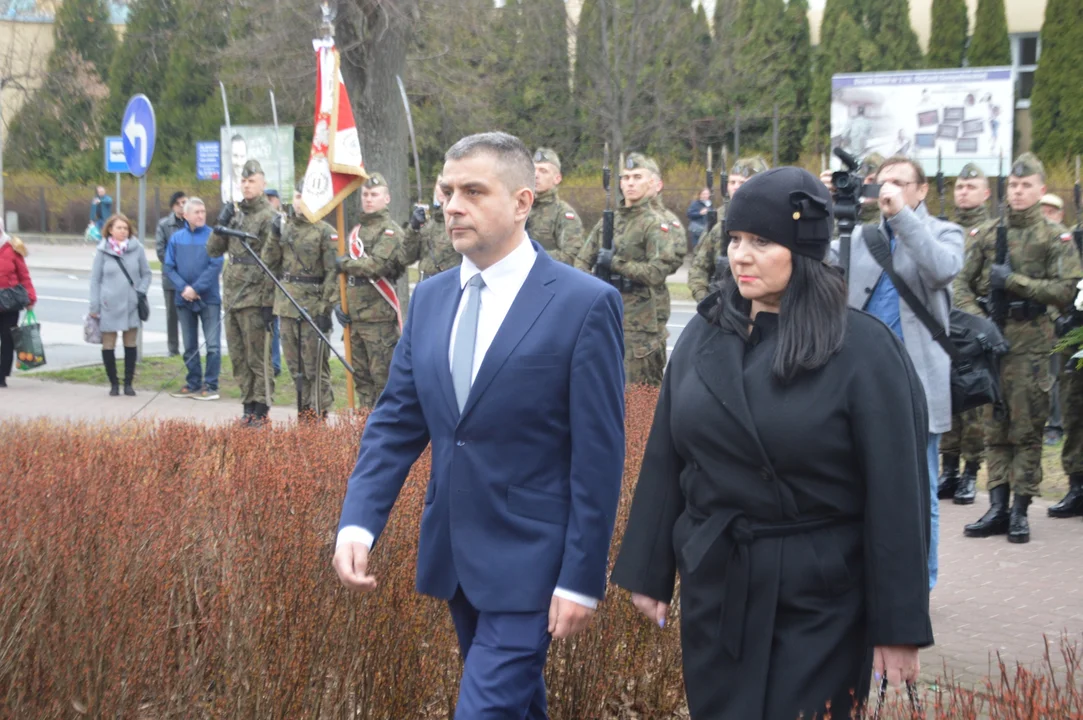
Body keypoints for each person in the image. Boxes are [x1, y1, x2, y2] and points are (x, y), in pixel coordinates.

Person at [611, 166, 933, 720]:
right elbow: (667, 455)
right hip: (719, 586)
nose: (740, 255)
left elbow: (897, 493)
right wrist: (649, 567)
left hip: (821, 598)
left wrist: (897, 624)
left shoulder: (862, 350)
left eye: (761, 241)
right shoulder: (704, 334)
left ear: (802, 250)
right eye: (735, 239)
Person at [333, 132, 625, 719]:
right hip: (457, 556)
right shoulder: (433, 299)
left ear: (522, 202)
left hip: (535, 563)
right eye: (446, 191)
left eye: (472, 191)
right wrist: (358, 523)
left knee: (484, 710)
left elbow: (599, 458)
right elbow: (396, 423)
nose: (452, 205)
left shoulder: (583, 304)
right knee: (515, 707)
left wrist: (582, 577)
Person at [955, 153, 1083, 544]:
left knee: (1028, 429)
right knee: (996, 427)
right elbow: (961, 284)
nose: (1019, 191)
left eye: (1026, 185)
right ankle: (996, 506)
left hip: (1031, 342)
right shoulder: (989, 234)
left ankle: (1020, 511)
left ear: (1041, 190)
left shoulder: (1053, 237)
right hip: (992, 341)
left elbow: (1067, 288)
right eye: (1013, 185)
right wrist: (979, 321)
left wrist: (1015, 283)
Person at [576, 153, 675, 386]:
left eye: (637, 177)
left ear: (651, 182)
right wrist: (593, 286)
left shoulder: (655, 224)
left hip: (639, 324)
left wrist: (616, 264)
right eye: (625, 177)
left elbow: (657, 272)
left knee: (639, 401)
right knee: (601, 388)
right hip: (604, 315)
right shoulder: (608, 222)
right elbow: (581, 260)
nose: (630, 182)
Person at [207, 159, 278, 426]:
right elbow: (213, 250)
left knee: (258, 357)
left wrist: (269, 302)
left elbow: (273, 263)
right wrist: (220, 223)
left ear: (263, 183)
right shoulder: (235, 215)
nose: (247, 186)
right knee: (238, 357)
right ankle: (247, 406)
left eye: (252, 181)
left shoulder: (269, 218)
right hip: (233, 295)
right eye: (244, 181)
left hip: (256, 297)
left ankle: (261, 409)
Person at [938, 163, 993, 506]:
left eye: (971, 187)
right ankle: (949, 470)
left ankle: (971, 473)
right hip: (943, 326)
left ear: (986, 193)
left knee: (973, 405)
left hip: (972, 327)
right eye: (960, 187)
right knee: (947, 400)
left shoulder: (993, 230)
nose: (963, 192)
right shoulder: (943, 229)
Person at [262, 181, 338, 419]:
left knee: (315, 368)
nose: (299, 201)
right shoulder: (284, 230)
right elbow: (268, 263)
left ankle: (319, 414)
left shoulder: (325, 231)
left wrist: (325, 310)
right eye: (296, 195)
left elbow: (333, 274)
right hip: (287, 307)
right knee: (295, 369)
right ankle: (303, 415)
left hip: (312, 307)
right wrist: (274, 237)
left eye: (304, 195)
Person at [333, 172, 406, 409]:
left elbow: (375, 266)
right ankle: (364, 427)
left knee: (382, 381)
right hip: (354, 319)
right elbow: (343, 277)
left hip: (378, 321)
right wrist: (338, 302)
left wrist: (344, 263)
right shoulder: (355, 233)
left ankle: (384, 433)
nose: (368, 199)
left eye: (374, 194)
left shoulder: (391, 232)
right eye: (365, 194)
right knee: (361, 379)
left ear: (387, 198)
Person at [164, 197, 223, 401]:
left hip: (209, 299)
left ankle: (211, 384)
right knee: (189, 344)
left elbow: (216, 265)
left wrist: (196, 288)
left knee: (213, 344)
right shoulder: (176, 238)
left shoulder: (212, 237)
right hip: (184, 299)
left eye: (203, 211)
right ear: (185, 215)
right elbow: (169, 267)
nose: (201, 215)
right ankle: (193, 382)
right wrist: (184, 288)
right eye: (196, 212)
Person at [689, 156, 769, 303]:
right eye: (732, 182)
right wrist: (707, 301)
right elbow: (698, 266)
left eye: (743, 182)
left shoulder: (774, 217)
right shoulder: (718, 218)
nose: (736, 187)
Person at [89, 214, 152, 397]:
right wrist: (95, 306)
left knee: (130, 343)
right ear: (110, 230)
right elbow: (95, 280)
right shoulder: (102, 251)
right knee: (108, 344)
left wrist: (140, 291)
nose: (123, 231)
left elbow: (146, 274)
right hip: (108, 304)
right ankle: (114, 383)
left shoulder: (137, 249)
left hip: (131, 304)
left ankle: (128, 384)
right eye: (119, 228)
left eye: (125, 228)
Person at [525, 148, 584, 265]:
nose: (536, 175)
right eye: (533, 170)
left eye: (543, 171)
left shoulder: (563, 214)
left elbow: (570, 256)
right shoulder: (520, 208)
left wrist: (530, 255)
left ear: (557, 178)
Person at [403, 174, 462, 282]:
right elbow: (407, 258)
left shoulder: (461, 221)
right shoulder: (428, 222)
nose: (443, 189)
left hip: (450, 285)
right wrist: (413, 229)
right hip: (425, 285)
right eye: (440, 185)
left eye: (448, 186)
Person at [0, 219, 36, 388]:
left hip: (10, 301)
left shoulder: (13, 248)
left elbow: (24, 275)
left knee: (7, 339)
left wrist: (31, 298)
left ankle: (2, 376)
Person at [156, 190, 187, 357]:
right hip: (171, 277)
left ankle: (190, 346)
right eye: (178, 204)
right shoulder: (165, 225)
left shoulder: (191, 222)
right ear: (173, 206)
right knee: (172, 315)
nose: (182, 206)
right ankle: (173, 348)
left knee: (189, 314)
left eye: (184, 202)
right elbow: (161, 251)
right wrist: (176, 265)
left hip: (190, 278)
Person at [265, 187, 284, 378]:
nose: (270, 202)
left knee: (275, 327)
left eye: (272, 198)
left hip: (278, 281)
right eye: (267, 199)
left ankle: (276, 364)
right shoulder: (265, 220)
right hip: (263, 279)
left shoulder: (282, 221)